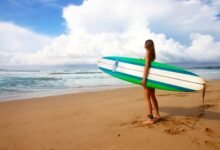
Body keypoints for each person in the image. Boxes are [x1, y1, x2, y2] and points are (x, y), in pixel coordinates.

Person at [141, 39, 161, 125]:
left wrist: (144, 78)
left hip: (148, 78)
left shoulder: (147, 53)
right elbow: (148, 63)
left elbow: (146, 66)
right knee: (152, 97)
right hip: (152, 78)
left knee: (147, 98)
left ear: (146, 45)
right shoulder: (152, 54)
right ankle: (157, 115)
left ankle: (150, 118)